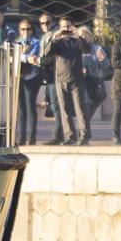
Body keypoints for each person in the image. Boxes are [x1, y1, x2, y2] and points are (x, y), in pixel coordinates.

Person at [43, 17, 89, 145]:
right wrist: (53, 39)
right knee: (64, 110)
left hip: (76, 79)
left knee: (80, 108)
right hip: (60, 79)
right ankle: (69, 136)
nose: (66, 29)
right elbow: (46, 54)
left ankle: (84, 135)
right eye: (63, 27)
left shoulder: (77, 41)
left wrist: (78, 36)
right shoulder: (57, 41)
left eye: (68, 26)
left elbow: (87, 49)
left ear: (73, 27)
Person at [15, 18, 42, 144]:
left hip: (32, 76)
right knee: (20, 108)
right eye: (23, 29)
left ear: (32, 30)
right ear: (19, 30)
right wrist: (23, 57)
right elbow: (12, 57)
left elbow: (34, 57)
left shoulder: (36, 42)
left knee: (30, 105)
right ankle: (21, 137)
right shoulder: (16, 42)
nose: (26, 31)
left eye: (28, 29)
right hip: (18, 76)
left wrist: (20, 56)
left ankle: (31, 137)